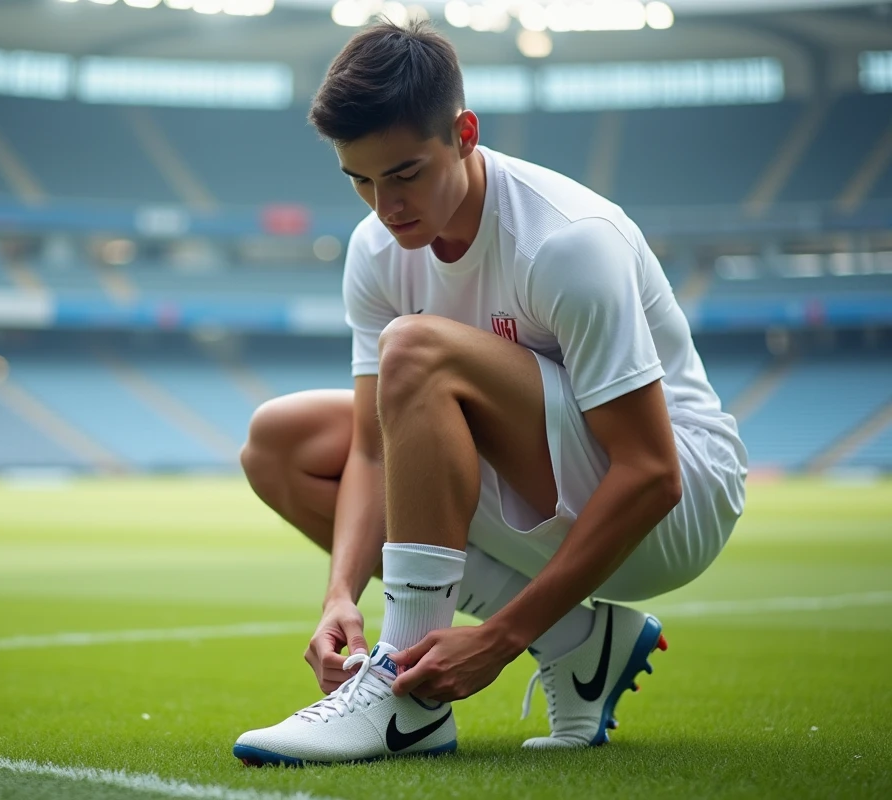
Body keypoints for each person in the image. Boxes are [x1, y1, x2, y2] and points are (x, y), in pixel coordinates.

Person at [232, 19, 747, 766]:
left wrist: (499, 640)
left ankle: (407, 703)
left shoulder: (566, 240)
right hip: (555, 484)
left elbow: (652, 473)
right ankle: (577, 641)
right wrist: (339, 592)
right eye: (361, 181)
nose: (385, 206)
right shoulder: (375, 250)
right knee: (278, 444)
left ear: (464, 134)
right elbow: (372, 453)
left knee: (415, 348)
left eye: (405, 174)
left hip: (675, 506)